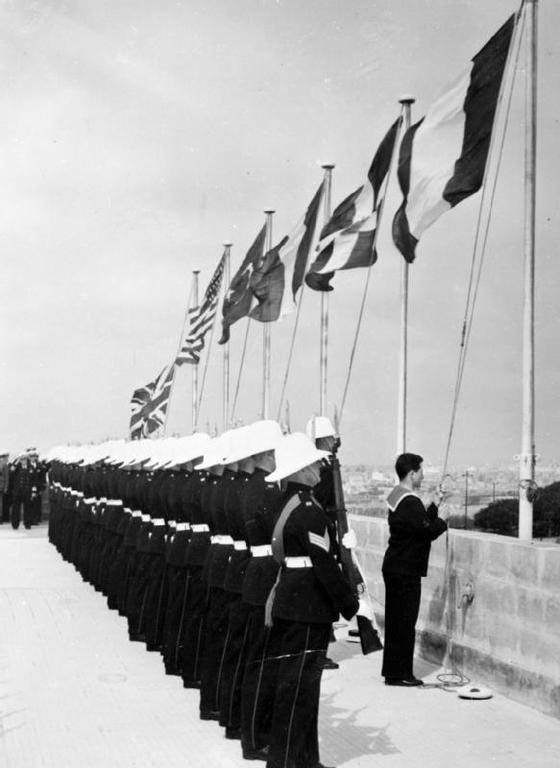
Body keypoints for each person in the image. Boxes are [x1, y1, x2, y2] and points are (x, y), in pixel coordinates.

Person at [263, 432, 359, 768]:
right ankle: (292, 761)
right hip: (307, 605)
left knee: (296, 687)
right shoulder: (309, 511)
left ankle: (300, 759)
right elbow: (325, 565)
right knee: (301, 690)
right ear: (302, 470)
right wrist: (350, 605)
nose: (320, 466)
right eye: (314, 462)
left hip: (292, 597)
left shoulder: (287, 503)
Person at [381, 452, 447, 686]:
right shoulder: (410, 501)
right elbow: (427, 531)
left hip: (395, 565)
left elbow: (417, 526)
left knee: (396, 621)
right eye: (421, 470)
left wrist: (434, 506)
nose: (423, 474)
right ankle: (401, 674)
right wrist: (443, 521)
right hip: (404, 569)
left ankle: (393, 672)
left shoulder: (396, 495)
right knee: (405, 622)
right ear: (412, 473)